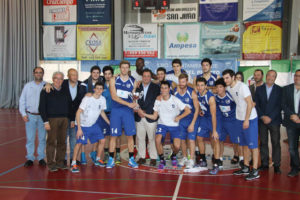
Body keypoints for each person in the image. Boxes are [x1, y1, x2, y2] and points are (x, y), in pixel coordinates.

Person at [141, 81, 191, 169]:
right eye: (162, 88)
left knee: (177, 146)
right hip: (162, 124)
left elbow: (188, 110)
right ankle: (162, 159)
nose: (163, 90)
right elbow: (154, 116)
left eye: (165, 88)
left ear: (169, 89)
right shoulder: (158, 100)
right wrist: (143, 114)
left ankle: (173, 156)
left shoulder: (175, 100)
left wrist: (179, 117)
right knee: (157, 140)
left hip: (174, 125)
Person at [222, 69, 260, 181]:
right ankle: (246, 167)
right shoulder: (229, 88)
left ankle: (256, 170)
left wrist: (247, 120)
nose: (225, 80)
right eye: (224, 78)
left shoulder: (242, 87)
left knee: (253, 146)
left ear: (233, 77)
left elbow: (250, 103)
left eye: (227, 78)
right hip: (239, 119)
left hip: (250, 118)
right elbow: (217, 89)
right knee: (243, 144)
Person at [45, 69, 86, 166]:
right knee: (62, 139)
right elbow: (54, 83)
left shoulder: (81, 85)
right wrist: (47, 84)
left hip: (75, 116)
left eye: (76, 75)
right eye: (72, 75)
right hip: (63, 116)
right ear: (68, 76)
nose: (74, 77)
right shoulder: (63, 84)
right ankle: (61, 159)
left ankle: (73, 158)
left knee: (73, 138)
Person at [71, 82, 110, 173]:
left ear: (103, 90)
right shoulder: (87, 99)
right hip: (83, 125)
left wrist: (109, 122)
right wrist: (79, 129)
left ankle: (97, 159)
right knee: (79, 143)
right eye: (97, 88)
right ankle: (73, 164)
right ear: (94, 89)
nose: (99, 90)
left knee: (102, 140)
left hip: (92, 124)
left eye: (101, 88)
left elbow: (101, 112)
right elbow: (78, 112)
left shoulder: (103, 99)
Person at [106, 60, 139, 169]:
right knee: (114, 136)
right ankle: (111, 159)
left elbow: (134, 97)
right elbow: (114, 97)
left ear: (129, 69)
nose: (125, 69)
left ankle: (131, 160)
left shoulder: (133, 81)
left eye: (126, 67)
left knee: (130, 136)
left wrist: (135, 105)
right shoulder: (113, 79)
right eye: (123, 67)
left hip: (128, 112)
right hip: (116, 111)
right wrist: (128, 104)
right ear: (120, 68)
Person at [39, 71, 72, 172]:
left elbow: (70, 104)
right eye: (56, 78)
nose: (58, 80)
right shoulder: (46, 90)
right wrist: (45, 121)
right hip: (52, 120)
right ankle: (51, 164)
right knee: (51, 142)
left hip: (64, 119)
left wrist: (70, 118)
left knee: (62, 142)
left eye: (61, 78)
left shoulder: (66, 90)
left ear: (63, 80)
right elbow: (41, 107)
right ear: (53, 79)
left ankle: (60, 163)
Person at [19, 66, 47, 167]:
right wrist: (23, 114)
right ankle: (30, 158)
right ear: (33, 74)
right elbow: (22, 100)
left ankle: (41, 157)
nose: (38, 74)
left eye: (40, 72)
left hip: (42, 117)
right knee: (30, 138)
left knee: (42, 138)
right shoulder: (27, 86)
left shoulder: (47, 85)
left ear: (43, 74)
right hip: (30, 116)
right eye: (36, 72)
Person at [195, 77, 222, 175]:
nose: (200, 87)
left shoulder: (210, 97)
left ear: (206, 86)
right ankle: (203, 160)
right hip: (205, 117)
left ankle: (216, 164)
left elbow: (214, 115)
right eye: (198, 85)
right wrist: (201, 111)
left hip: (214, 118)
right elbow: (199, 105)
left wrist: (214, 131)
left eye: (202, 85)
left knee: (215, 139)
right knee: (199, 137)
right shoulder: (197, 94)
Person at [135, 69, 160, 166]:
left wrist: (146, 112)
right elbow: (134, 100)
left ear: (151, 77)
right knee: (140, 138)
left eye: (148, 76)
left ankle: (153, 157)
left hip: (150, 116)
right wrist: (139, 110)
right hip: (139, 116)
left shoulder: (156, 87)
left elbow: (157, 102)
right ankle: (142, 156)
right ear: (142, 77)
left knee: (152, 138)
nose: (146, 78)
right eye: (144, 76)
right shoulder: (137, 87)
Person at [174, 73, 199, 169]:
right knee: (182, 140)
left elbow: (197, 109)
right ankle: (185, 157)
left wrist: (192, 123)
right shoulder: (175, 92)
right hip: (181, 119)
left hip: (191, 119)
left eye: (183, 81)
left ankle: (191, 159)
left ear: (187, 81)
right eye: (180, 82)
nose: (181, 83)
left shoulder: (191, 92)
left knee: (191, 140)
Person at [215, 78, 241, 167]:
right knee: (220, 140)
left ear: (225, 88)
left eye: (221, 87)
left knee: (235, 141)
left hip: (233, 121)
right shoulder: (216, 98)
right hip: (223, 121)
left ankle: (237, 156)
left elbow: (240, 105)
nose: (219, 89)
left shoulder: (231, 96)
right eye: (217, 87)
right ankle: (220, 158)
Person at [101, 66, 122, 164]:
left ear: (112, 74)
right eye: (105, 74)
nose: (107, 76)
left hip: (116, 114)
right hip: (105, 114)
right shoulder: (101, 86)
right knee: (106, 136)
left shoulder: (117, 84)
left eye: (109, 74)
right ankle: (106, 155)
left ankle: (117, 154)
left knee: (116, 135)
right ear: (103, 75)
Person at [282, 69, 300, 177]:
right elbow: (283, 104)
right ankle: (295, 168)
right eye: (296, 76)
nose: (297, 77)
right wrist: (292, 115)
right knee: (292, 148)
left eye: (299, 76)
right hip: (291, 122)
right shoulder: (286, 89)